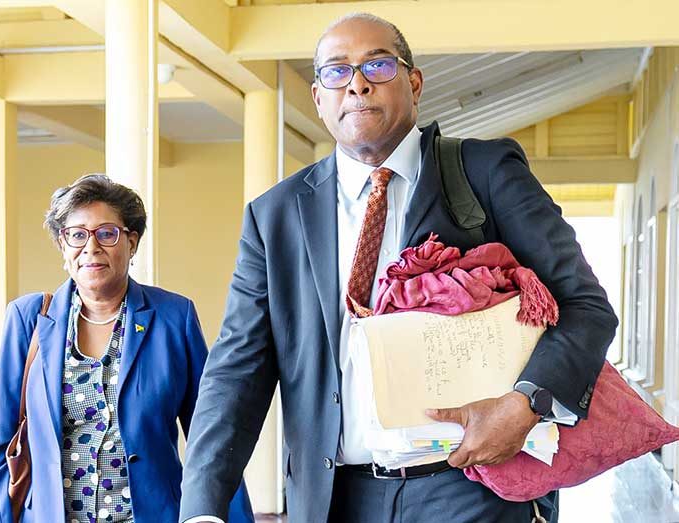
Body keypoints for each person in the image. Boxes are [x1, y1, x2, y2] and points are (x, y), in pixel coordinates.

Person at [179, 13, 617, 523]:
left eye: (377, 65)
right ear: (319, 98)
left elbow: (585, 305)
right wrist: (202, 510)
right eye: (337, 72)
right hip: (332, 498)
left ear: (413, 83)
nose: (358, 83)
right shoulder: (275, 216)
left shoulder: (485, 174)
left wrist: (524, 405)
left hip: (469, 487)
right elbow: (237, 368)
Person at [0, 174, 253, 523]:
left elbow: (213, 439)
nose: (91, 247)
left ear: (131, 242)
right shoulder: (29, 320)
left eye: (107, 233)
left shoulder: (174, 318)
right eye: (77, 234)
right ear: (62, 244)